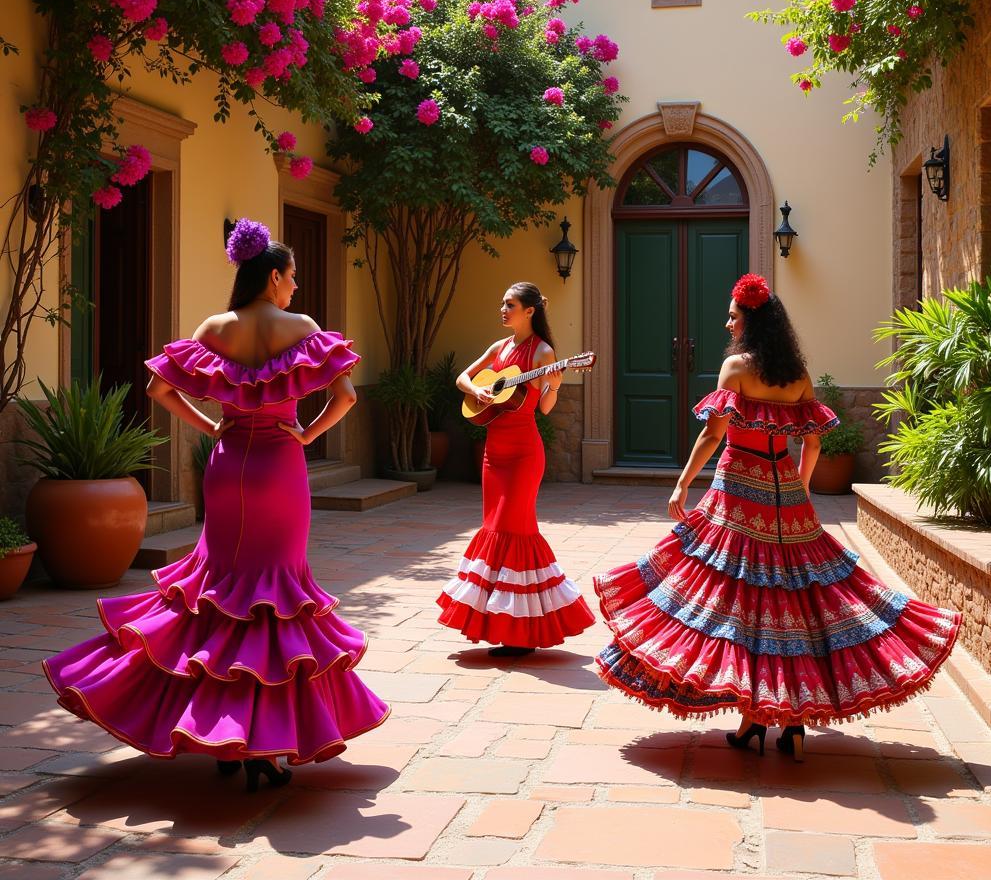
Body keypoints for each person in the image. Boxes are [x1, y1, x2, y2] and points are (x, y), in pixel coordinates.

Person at [43, 218, 389, 790]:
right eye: (293, 277)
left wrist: (210, 424)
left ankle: (222, 738)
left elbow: (158, 388)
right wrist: (306, 435)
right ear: (274, 276)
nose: (296, 287)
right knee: (274, 597)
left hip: (227, 464)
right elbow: (346, 396)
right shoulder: (300, 326)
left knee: (220, 594)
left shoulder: (216, 326)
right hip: (280, 467)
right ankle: (264, 745)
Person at [594, 273, 961, 760]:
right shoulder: (798, 376)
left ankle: (757, 718)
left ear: (752, 323)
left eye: (733, 315)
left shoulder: (735, 369)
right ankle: (788, 722)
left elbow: (712, 436)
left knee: (738, 602)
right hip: (784, 492)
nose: (727, 322)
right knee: (793, 604)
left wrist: (683, 482)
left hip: (739, 495)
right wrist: (800, 487)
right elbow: (812, 442)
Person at [437, 281, 595, 656]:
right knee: (493, 527)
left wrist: (554, 385)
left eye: (510, 305)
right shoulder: (499, 347)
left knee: (515, 528)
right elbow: (462, 377)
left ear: (530, 311)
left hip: (524, 452)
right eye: (502, 303)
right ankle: (500, 624)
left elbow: (544, 408)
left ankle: (521, 631)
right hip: (494, 451)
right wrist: (475, 391)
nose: (502, 310)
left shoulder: (544, 352)